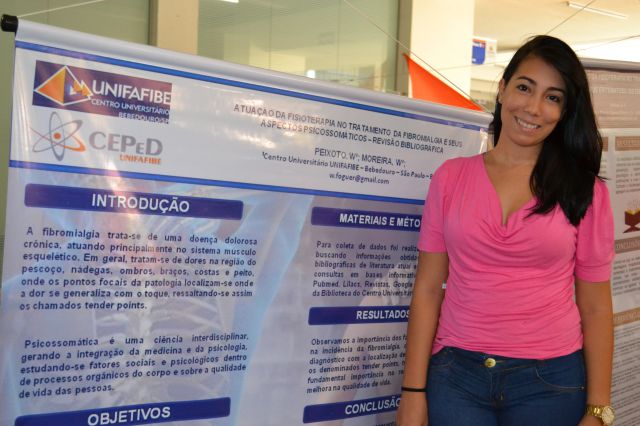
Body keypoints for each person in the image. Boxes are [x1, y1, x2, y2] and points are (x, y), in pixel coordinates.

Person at [396, 35, 615, 426]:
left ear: (564, 111)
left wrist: (598, 410)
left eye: (553, 97)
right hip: (455, 375)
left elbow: (596, 306)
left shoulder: (585, 191)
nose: (533, 108)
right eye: (524, 87)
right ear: (502, 89)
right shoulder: (450, 178)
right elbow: (428, 289)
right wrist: (412, 392)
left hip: (551, 381)